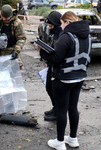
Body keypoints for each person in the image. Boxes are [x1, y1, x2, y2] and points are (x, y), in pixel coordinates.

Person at [38, 11, 91, 150]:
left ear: (67, 22)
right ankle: (73, 139)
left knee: (61, 111)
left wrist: (41, 51)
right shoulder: (87, 36)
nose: (61, 27)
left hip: (63, 79)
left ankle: (60, 142)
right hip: (79, 77)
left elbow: (55, 58)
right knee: (73, 108)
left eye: (61, 23)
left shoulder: (66, 36)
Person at [0, 4, 26, 106]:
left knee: (11, 78)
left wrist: (16, 52)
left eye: (6, 18)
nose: (5, 19)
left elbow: (21, 38)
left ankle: (10, 100)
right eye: (3, 17)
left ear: (11, 15)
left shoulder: (17, 23)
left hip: (11, 53)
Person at [39, 11, 62, 121]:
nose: (49, 27)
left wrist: (43, 52)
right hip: (51, 65)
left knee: (55, 90)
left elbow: (58, 54)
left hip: (58, 68)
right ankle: (55, 108)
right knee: (49, 87)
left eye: (51, 25)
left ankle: (58, 112)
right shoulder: (55, 33)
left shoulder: (62, 35)